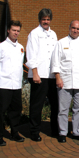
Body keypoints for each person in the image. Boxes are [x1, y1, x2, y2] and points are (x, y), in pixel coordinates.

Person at [51, 20, 79, 143]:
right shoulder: (61, 43)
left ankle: (77, 132)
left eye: (78, 29)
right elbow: (55, 62)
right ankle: (63, 132)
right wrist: (58, 77)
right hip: (65, 81)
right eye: (73, 28)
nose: (75, 31)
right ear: (69, 28)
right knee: (63, 109)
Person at [0, 20, 25, 146]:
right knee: (0, 112)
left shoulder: (20, 48)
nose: (16, 33)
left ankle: (14, 133)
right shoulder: (1, 47)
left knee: (15, 110)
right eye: (14, 30)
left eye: (18, 31)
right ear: (8, 30)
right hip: (3, 85)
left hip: (16, 85)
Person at [26, 8, 59, 141]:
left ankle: (55, 130)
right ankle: (34, 132)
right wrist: (35, 73)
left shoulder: (53, 34)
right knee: (36, 105)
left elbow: (55, 55)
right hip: (38, 75)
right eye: (44, 19)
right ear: (40, 19)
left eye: (48, 19)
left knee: (55, 104)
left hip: (51, 76)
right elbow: (30, 54)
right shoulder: (34, 33)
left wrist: (57, 74)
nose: (46, 21)